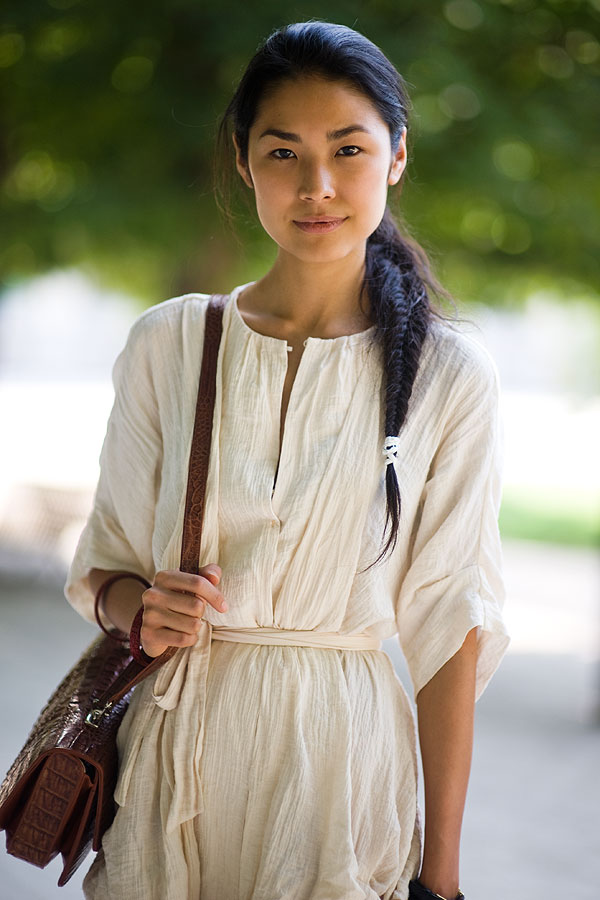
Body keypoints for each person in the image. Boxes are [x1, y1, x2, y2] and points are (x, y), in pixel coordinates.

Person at [65, 20, 510, 900]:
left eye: (348, 149)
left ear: (396, 157)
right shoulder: (170, 342)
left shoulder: (450, 375)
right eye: (282, 153)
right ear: (242, 161)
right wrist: (142, 609)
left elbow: (449, 629)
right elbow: (106, 567)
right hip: (173, 755)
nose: (317, 185)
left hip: (337, 770)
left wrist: (443, 879)